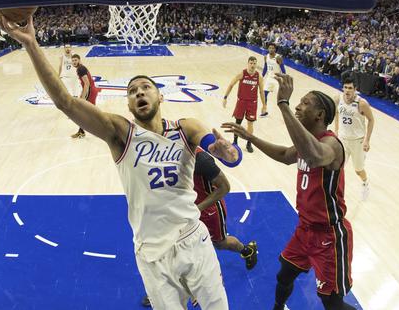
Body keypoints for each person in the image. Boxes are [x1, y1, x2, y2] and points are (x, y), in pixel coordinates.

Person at [0, 7, 244, 309]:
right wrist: (31, 44)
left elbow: (228, 156)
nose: (139, 93)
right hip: (151, 253)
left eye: (146, 87)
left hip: (193, 240)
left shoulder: (185, 127)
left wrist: (227, 152)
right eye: (132, 91)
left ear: (160, 96)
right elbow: (65, 101)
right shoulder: (120, 134)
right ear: (128, 104)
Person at [223, 73, 355, 310]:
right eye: (298, 102)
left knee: (331, 302)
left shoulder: (331, 144)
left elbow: (315, 157)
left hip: (329, 235)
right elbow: (285, 155)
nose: (298, 106)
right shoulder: (309, 140)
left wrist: (282, 104)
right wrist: (250, 136)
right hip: (305, 229)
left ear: (320, 114)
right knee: (284, 274)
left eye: (305, 103)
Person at [141, 148, 258, 307]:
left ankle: (246, 250)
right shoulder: (163, 153)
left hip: (208, 209)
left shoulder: (201, 158)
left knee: (219, 243)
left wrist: (197, 209)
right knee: (171, 245)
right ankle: (166, 289)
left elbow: (225, 187)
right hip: (183, 209)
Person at [334, 78, 375, 200]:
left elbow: (371, 120)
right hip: (342, 139)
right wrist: (336, 131)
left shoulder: (361, 103)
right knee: (338, 168)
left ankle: (365, 182)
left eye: (350, 88)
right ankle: (336, 193)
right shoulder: (338, 99)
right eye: (345, 87)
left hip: (358, 141)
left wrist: (367, 140)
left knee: (358, 170)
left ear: (355, 90)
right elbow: (337, 113)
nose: (347, 90)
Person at [222, 56, 266, 153]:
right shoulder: (242, 73)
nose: (253, 65)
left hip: (252, 103)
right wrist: (225, 97)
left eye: (254, 63)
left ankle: (249, 143)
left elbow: (261, 92)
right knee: (238, 123)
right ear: (248, 63)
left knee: (250, 124)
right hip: (241, 101)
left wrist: (264, 105)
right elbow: (231, 84)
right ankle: (235, 141)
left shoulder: (259, 76)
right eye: (251, 63)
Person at [70, 54, 99, 139]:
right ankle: (81, 131)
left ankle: (81, 132)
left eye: (76, 60)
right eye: (73, 60)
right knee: (91, 112)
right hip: (92, 91)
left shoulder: (81, 69)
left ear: (79, 60)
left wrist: (82, 97)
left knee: (82, 112)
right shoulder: (81, 68)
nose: (74, 62)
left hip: (90, 91)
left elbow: (87, 84)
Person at [260, 44, 286, 117]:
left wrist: (284, 79)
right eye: (270, 48)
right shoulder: (266, 57)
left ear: (275, 49)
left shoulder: (278, 57)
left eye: (273, 48)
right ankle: (264, 111)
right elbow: (265, 67)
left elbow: (283, 69)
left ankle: (286, 114)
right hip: (269, 78)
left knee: (281, 97)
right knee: (264, 94)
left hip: (277, 79)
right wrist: (262, 76)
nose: (271, 49)